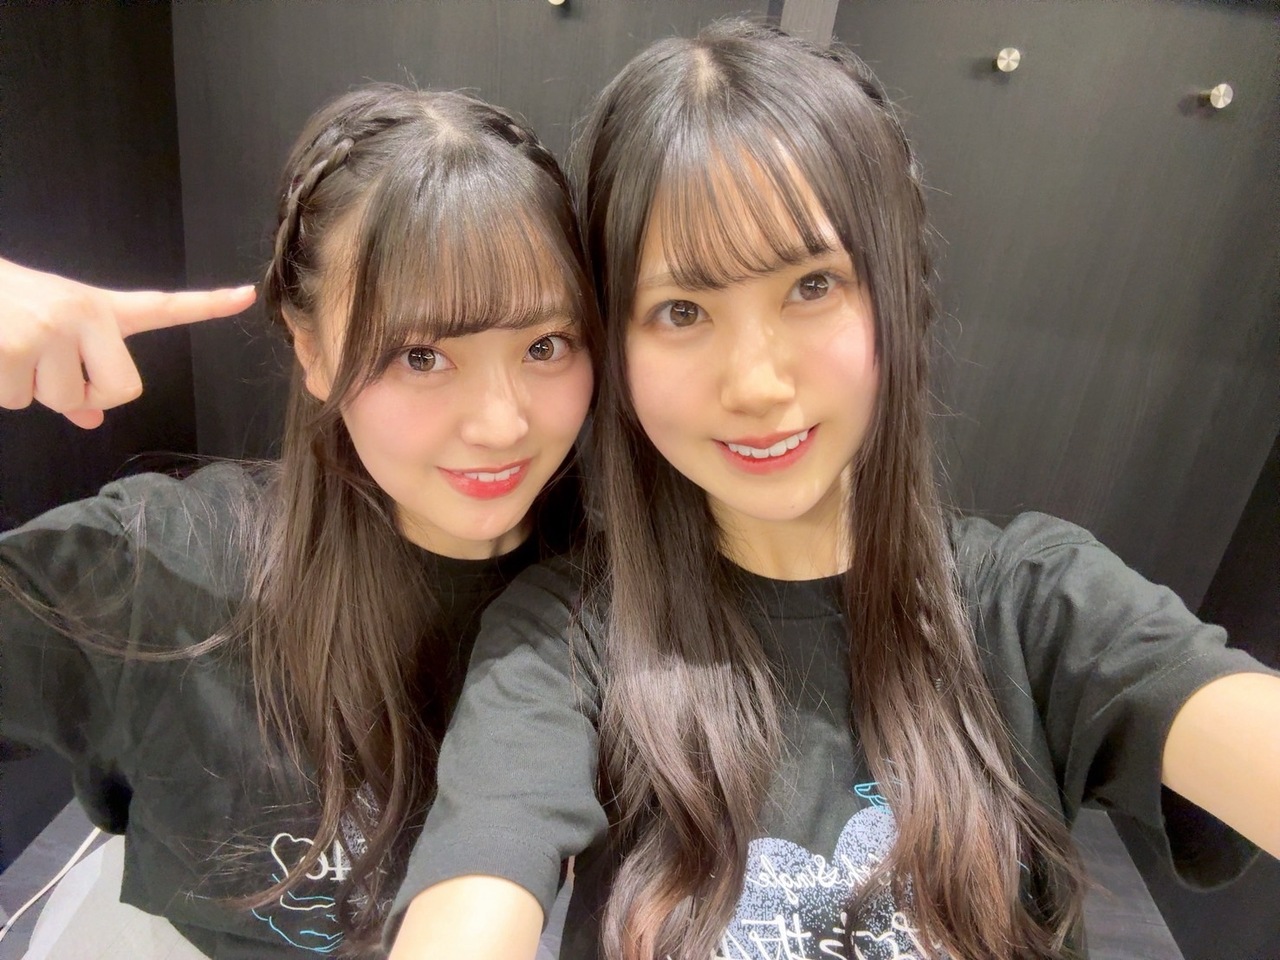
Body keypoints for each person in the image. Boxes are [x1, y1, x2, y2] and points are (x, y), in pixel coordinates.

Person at [387, 21, 1280, 960]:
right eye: (682, 310)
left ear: (897, 291)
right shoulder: (561, 644)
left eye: (812, 286)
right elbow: (473, 895)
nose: (757, 383)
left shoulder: (1036, 602)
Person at [1, 83, 597, 958]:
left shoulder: (614, 597)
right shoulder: (165, 568)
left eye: (545, 345)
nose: (502, 423)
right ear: (311, 348)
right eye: (421, 355)